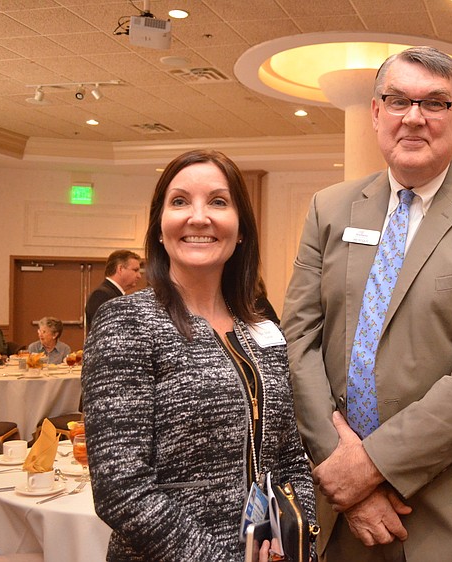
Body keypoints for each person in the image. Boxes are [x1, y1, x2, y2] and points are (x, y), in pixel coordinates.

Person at [282, 46, 452, 561]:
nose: (414, 117)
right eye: (398, 100)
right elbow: (297, 342)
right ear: (376, 112)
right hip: (339, 508)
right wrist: (343, 465)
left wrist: (370, 466)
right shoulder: (328, 209)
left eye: (435, 103)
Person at [82, 149, 315, 562]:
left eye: (219, 201)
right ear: (159, 227)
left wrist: (294, 538)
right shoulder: (126, 321)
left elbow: (291, 454)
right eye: (180, 201)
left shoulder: (261, 327)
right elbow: (121, 487)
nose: (199, 216)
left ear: (240, 229)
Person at [84, 249, 143, 330]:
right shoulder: (101, 295)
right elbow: (103, 332)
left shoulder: (113, 294)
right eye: (135, 270)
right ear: (120, 269)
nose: (139, 276)